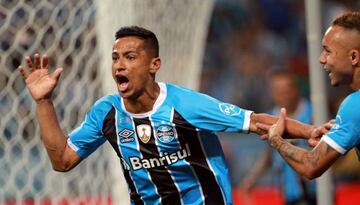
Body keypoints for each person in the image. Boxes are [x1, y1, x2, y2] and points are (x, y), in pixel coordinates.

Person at [19, 26, 326, 205]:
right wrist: (44, 101)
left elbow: (256, 120)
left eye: (130, 57)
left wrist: (309, 131)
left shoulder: (185, 105)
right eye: (115, 58)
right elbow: (62, 160)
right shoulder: (107, 112)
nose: (119, 66)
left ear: (154, 65)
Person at [263, 11, 360, 180]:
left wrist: (277, 140)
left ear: (353, 57)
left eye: (327, 51)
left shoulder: (354, 105)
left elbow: (310, 165)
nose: (322, 59)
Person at [241, 71, 316, 205]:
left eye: (287, 89)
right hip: (289, 192)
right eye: (278, 90)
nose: (283, 94)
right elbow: (269, 154)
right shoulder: (269, 118)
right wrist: (252, 179)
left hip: (316, 191)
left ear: (296, 89)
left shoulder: (315, 114)